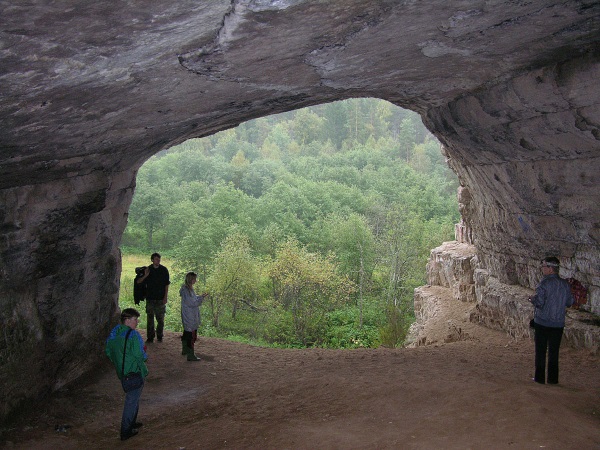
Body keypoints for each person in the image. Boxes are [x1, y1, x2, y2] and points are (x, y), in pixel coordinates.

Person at [528, 256, 574, 384]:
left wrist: (532, 299)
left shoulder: (544, 283)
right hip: (558, 323)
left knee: (541, 351)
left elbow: (540, 302)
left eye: (543, 266)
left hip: (542, 322)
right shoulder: (565, 284)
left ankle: (539, 378)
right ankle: (553, 379)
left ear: (550, 269)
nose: (542, 269)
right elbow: (570, 302)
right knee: (554, 352)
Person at [105, 308, 149, 441]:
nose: (137, 322)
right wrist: (143, 355)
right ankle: (126, 430)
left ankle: (132, 422)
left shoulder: (114, 334)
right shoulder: (133, 335)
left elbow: (109, 352)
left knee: (133, 398)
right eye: (135, 319)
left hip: (123, 372)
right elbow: (140, 355)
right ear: (127, 320)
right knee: (131, 401)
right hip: (134, 371)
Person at [136, 252, 170, 343]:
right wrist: (146, 275)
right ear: (152, 260)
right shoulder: (148, 270)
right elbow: (139, 282)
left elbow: (166, 284)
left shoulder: (164, 270)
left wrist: (165, 297)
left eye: (159, 259)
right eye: (156, 259)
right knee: (150, 319)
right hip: (150, 298)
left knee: (160, 320)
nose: (158, 261)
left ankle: (159, 336)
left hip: (160, 298)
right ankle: (150, 337)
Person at [179, 272, 208, 361]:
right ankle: (190, 355)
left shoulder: (189, 289)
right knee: (191, 335)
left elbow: (193, 299)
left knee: (187, 333)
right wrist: (201, 299)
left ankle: (185, 350)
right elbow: (192, 302)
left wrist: (200, 297)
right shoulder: (186, 290)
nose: (195, 280)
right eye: (194, 279)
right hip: (189, 315)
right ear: (191, 279)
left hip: (190, 314)